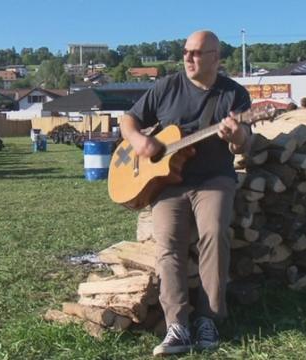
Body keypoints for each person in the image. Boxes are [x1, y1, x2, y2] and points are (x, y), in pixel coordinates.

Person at [119, 30, 251, 356]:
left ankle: (208, 319)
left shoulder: (233, 95)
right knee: (168, 243)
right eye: (186, 52)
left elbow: (243, 143)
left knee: (214, 233)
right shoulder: (167, 87)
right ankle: (177, 325)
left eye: (197, 53)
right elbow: (129, 120)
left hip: (214, 179)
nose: (189, 58)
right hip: (168, 183)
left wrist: (236, 136)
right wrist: (140, 142)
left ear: (216, 58)